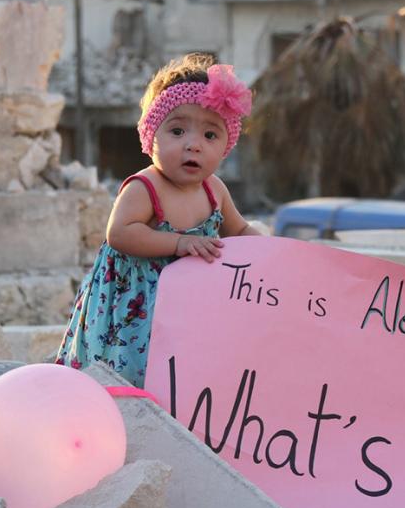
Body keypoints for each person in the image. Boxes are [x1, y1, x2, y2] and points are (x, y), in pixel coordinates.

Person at [55, 53, 260, 386]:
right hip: (132, 310)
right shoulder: (145, 186)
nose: (193, 145)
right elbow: (121, 233)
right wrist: (179, 242)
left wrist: (272, 252)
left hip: (188, 305)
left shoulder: (214, 190)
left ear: (226, 146)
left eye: (210, 136)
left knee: (181, 376)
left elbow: (238, 229)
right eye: (177, 131)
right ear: (151, 137)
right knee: (131, 375)